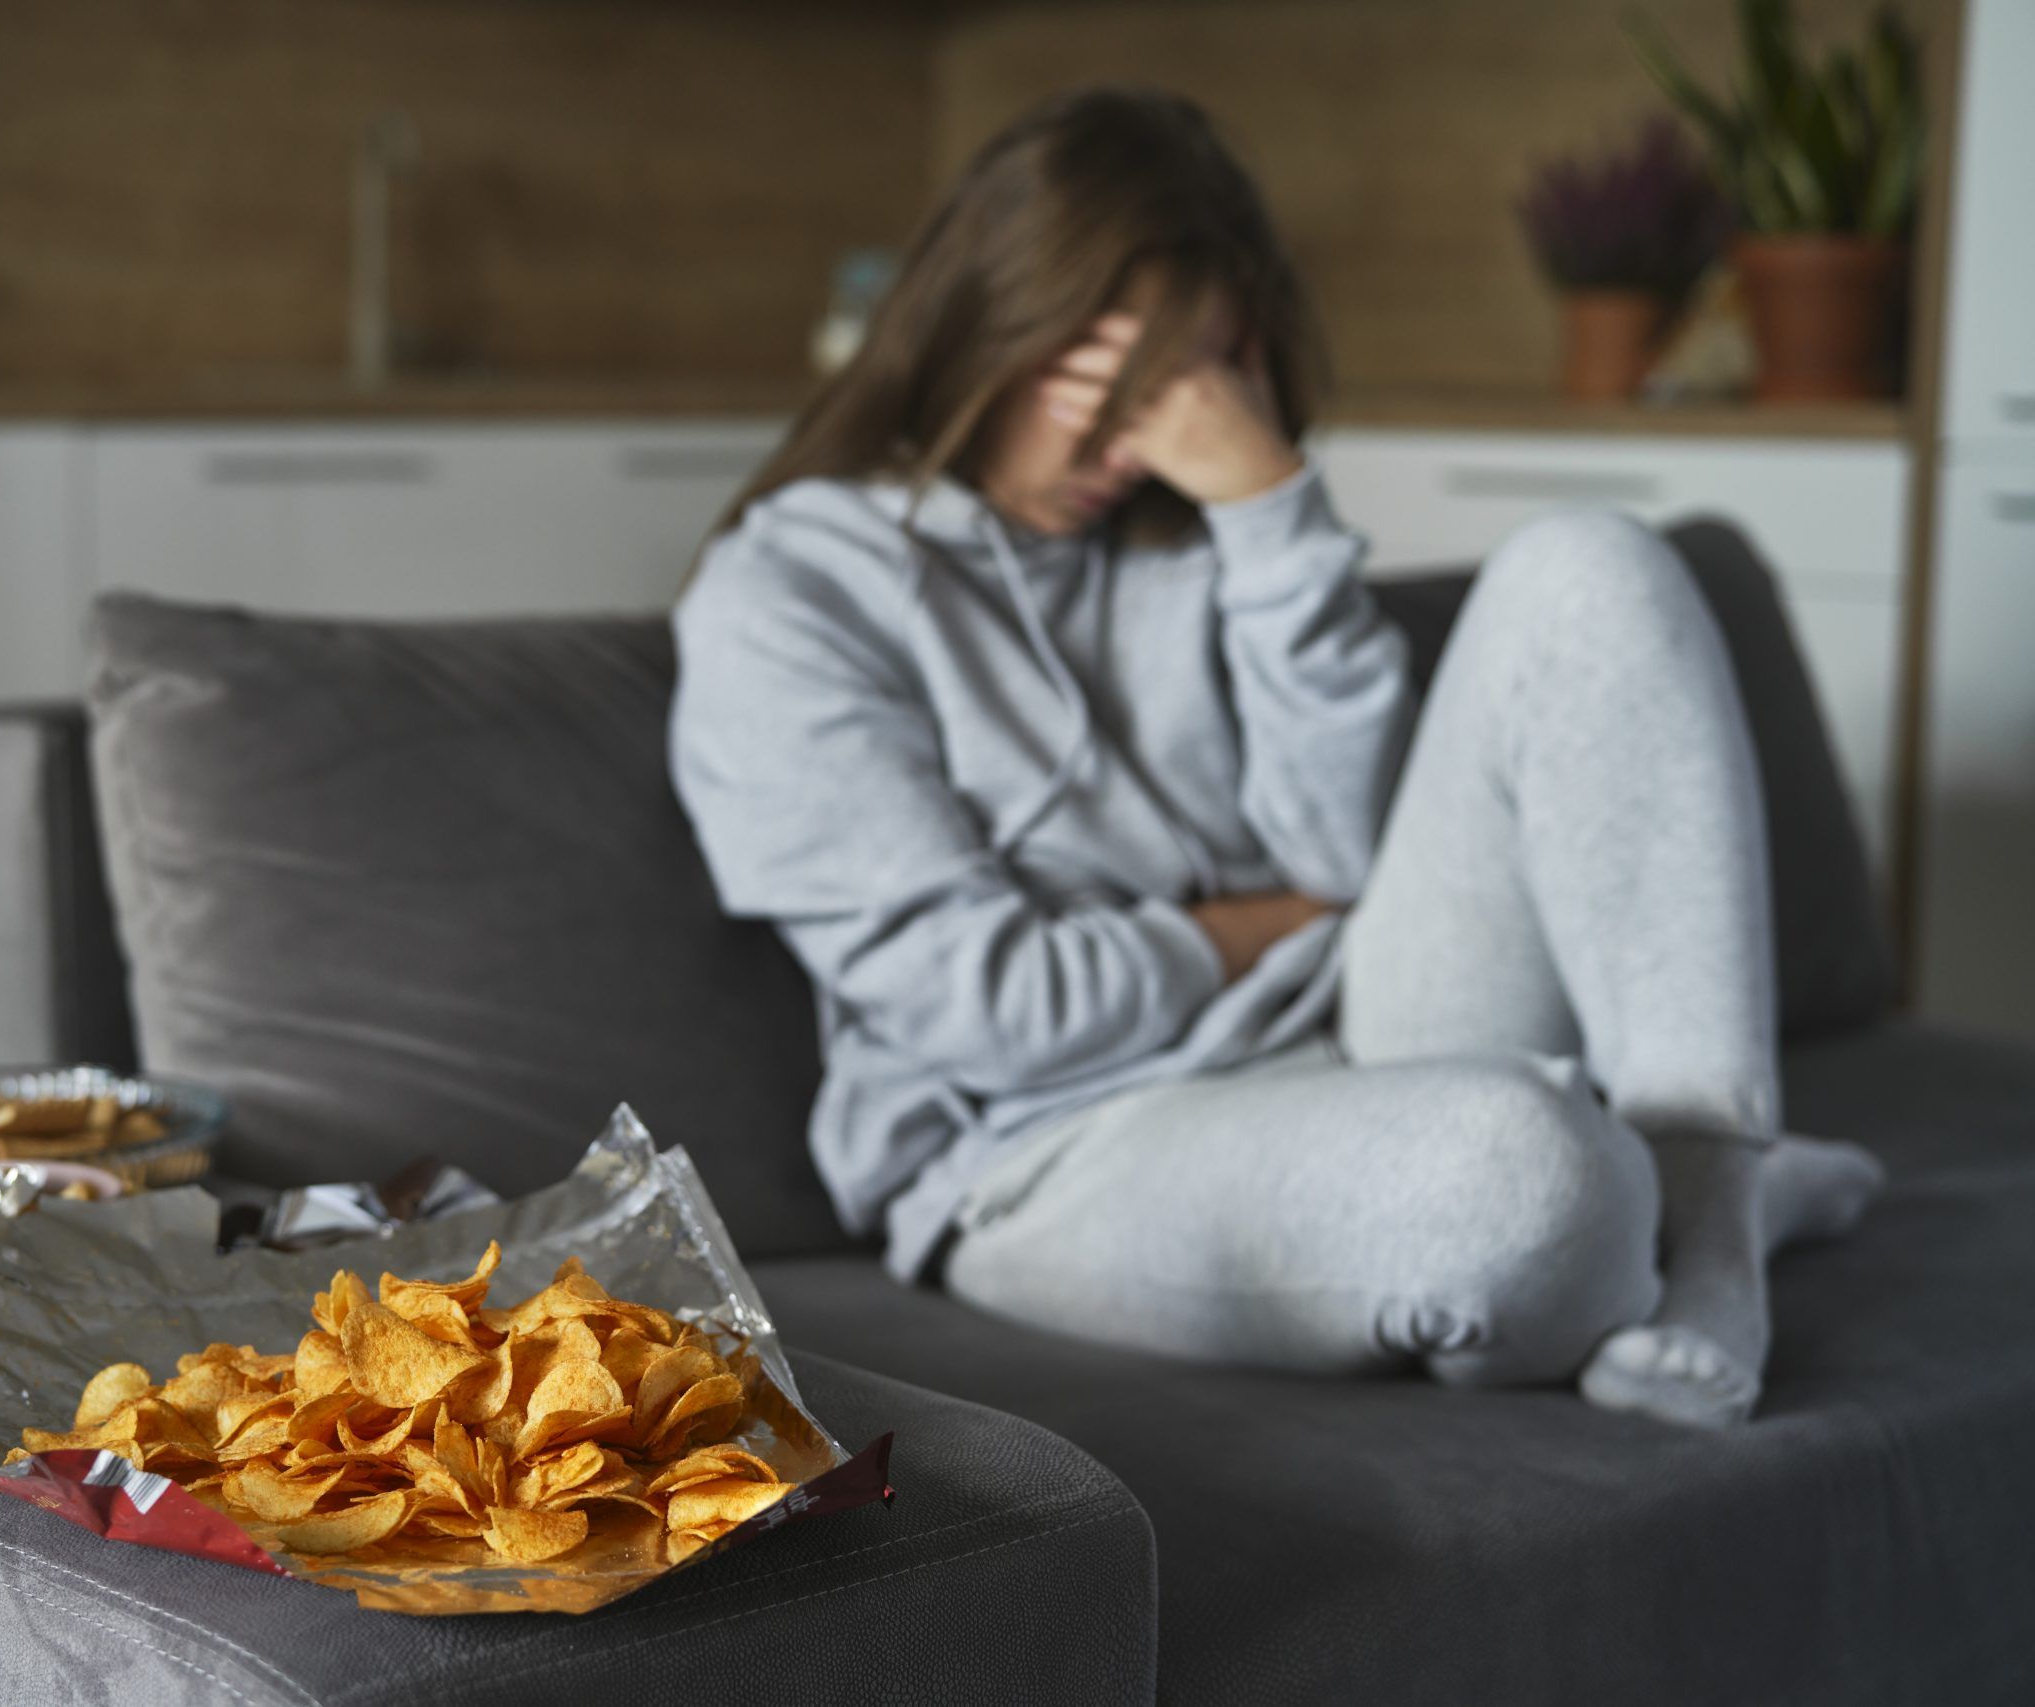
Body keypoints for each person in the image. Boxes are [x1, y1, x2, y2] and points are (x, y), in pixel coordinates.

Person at [666, 85, 1885, 1430]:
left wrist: (1266, 508)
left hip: (1358, 1025)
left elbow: (1364, 856)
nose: (1125, 449)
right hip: (1053, 1147)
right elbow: (990, 1014)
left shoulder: (1207, 534)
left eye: (1189, 396)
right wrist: (1253, 928)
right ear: (990, 320)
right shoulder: (789, 599)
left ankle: (1713, 1219)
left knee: (1594, 565)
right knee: (1529, 1183)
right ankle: (1657, 1191)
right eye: (1100, 383)